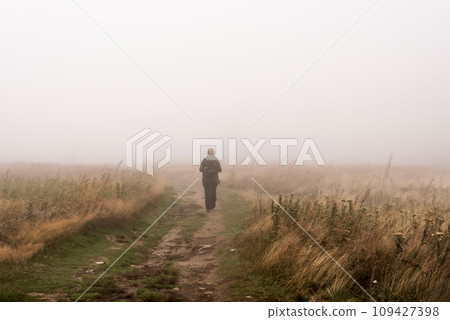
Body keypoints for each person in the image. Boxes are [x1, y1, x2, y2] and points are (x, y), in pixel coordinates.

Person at [199, 148, 222, 212]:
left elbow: (200, 170)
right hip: (214, 180)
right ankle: (212, 205)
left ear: (207, 153)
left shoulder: (204, 160)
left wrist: (205, 170)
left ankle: (208, 208)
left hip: (206, 180)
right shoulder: (216, 161)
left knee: (207, 193)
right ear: (213, 153)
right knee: (213, 192)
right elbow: (220, 170)